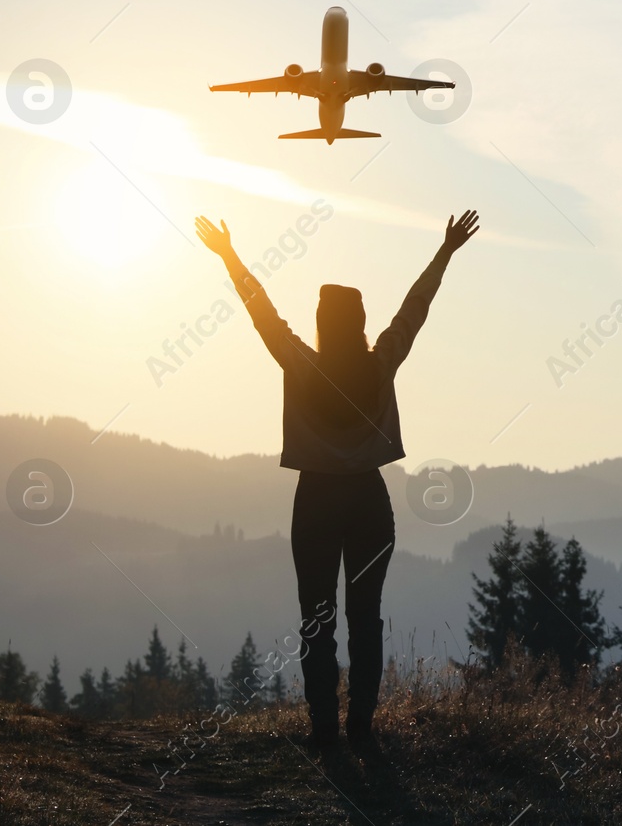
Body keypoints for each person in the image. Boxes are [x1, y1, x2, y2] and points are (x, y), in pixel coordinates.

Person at [195, 209, 480, 746]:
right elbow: (414, 311)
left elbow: (263, 313)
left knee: (316, 618)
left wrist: (229, 254)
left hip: (316, 499)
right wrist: (445, 251)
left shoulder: (300, 364)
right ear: (362, 323)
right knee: (365, 618)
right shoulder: (381, 364)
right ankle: (362, 729)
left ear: (324, 324)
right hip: (369, 502)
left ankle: (324, 726)